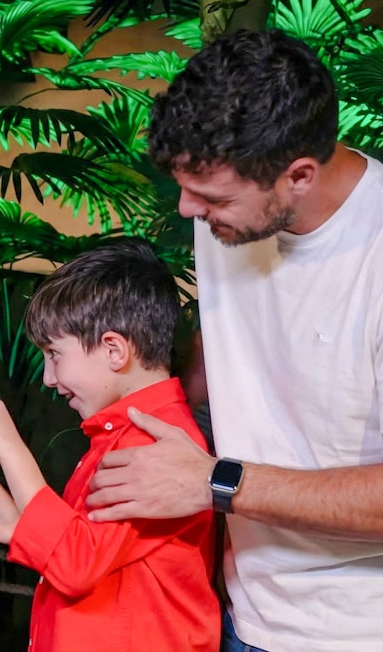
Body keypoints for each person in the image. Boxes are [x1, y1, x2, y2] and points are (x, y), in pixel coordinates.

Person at [82, 29, 383, 652]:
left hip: (354, 630)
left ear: (298, 175)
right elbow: (247, 353)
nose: (189, 210)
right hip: (241, 609)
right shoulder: (232, 209)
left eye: (210, 197)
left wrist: (216, 482)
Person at [0, 239, 219, 652]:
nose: (49, 379)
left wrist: (9, 447)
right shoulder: (121, 432)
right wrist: (18, 529)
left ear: (114, 349)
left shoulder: (156, 442)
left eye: (55, 355)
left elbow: (77, 564)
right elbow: (94, 550)